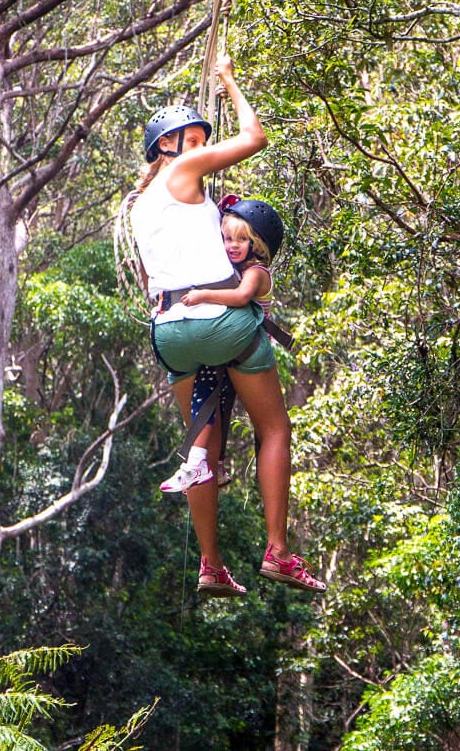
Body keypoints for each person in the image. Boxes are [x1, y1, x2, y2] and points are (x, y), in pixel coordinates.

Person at [130, 55, 326, 597]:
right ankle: (278, 552)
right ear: (167, 148)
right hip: (223, 325)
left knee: (203, 453)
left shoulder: (142, 204)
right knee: (274, 428)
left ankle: (211, 565)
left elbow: (159, 275)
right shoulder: (182, 172)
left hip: (171, 336)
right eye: (192, 139)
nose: (200, 149)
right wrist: (228, 78)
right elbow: (254, 136)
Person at [158, 194, 285, 495]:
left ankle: (214, 462)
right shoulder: (230, 269)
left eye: (241, 240)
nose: (231, 245)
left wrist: (203, 295)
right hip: (230, 349)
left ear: (258, 244)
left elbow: (242, 297)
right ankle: (208, 462)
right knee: (215, 401)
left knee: (228, 401)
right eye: (227, 239)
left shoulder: (255, 273)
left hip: (247, 348)